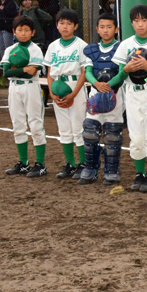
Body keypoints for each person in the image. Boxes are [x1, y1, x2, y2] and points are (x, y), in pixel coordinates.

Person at [112, 4, 147, 193]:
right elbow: (120, 75)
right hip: (131, 91)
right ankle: (139, 174)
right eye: (136, 21)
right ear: (131, 23)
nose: (140, 24)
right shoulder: (125, 44)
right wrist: (126, 69)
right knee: (136, 137)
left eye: (144, 20)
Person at [78, 13, 126, 185]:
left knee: (112, 135)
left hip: (114, 94)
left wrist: (109, 84)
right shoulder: (91, 50)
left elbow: (122, 72)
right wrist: (97, 84)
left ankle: (111, 171)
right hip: (96, 93)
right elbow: (88, 71)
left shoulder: (121, 47)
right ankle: (90, 168)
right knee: (90, 132)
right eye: (102, 27)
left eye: (109, 27)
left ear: (116, 29)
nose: (106, 30)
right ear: (97, 29)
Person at [0, 16, 48, 178]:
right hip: (14, 88)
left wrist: (18, 70)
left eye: (27, 30)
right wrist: (23, 69)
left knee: (36, 125)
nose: (23, 33)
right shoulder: (10, 49)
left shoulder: (35, 49)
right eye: (20, 30)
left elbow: (32, 73)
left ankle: (40, 164)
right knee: (18, 125)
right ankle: (23, 163)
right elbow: (6, 72)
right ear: (14, 31)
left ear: (33, 32)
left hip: (31, 87)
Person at [43, 9, 88, 179]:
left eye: (69, 23)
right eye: (61, 23)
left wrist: (74, 93)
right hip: (58, 86)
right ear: (57, 25)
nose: (65, 26)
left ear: (75, 26)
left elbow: (84, 72)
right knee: (64, 128)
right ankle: (70, 163)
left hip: (75, 85)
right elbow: (49, 73)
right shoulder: (53, 46)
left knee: (79, 127)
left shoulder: (81, 45)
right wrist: (51, 93)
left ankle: (83, 163)